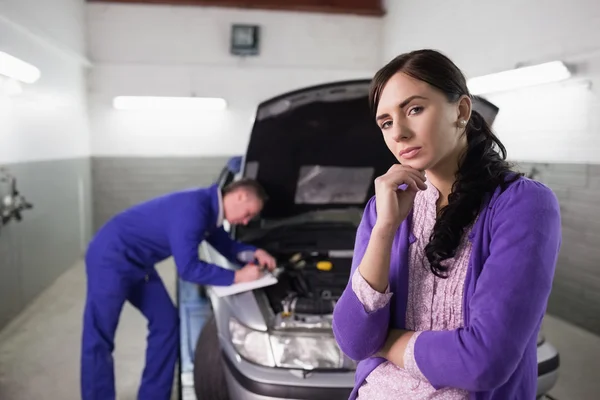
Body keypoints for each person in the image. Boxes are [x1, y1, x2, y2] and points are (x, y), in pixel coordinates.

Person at [332, 49, 561, 400]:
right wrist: (385, 228)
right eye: (386, 122)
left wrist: (386, 342)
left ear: (462, 111)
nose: (400, 133)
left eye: (414, 109)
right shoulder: (384, 208)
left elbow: (483, 361)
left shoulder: (523, 204)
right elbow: (352, 340)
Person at [81, 178, 276, 400]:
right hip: (111, 257)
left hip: (139, 264)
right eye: (248, 213)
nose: (245, 221)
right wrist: (237, 277)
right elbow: (188, 269)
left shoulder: (211, 212)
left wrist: (255, 253)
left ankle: (153, 396)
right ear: (240, 196)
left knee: (166, 323)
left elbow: (228, 246)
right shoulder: (195, 208)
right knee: (99, 336)